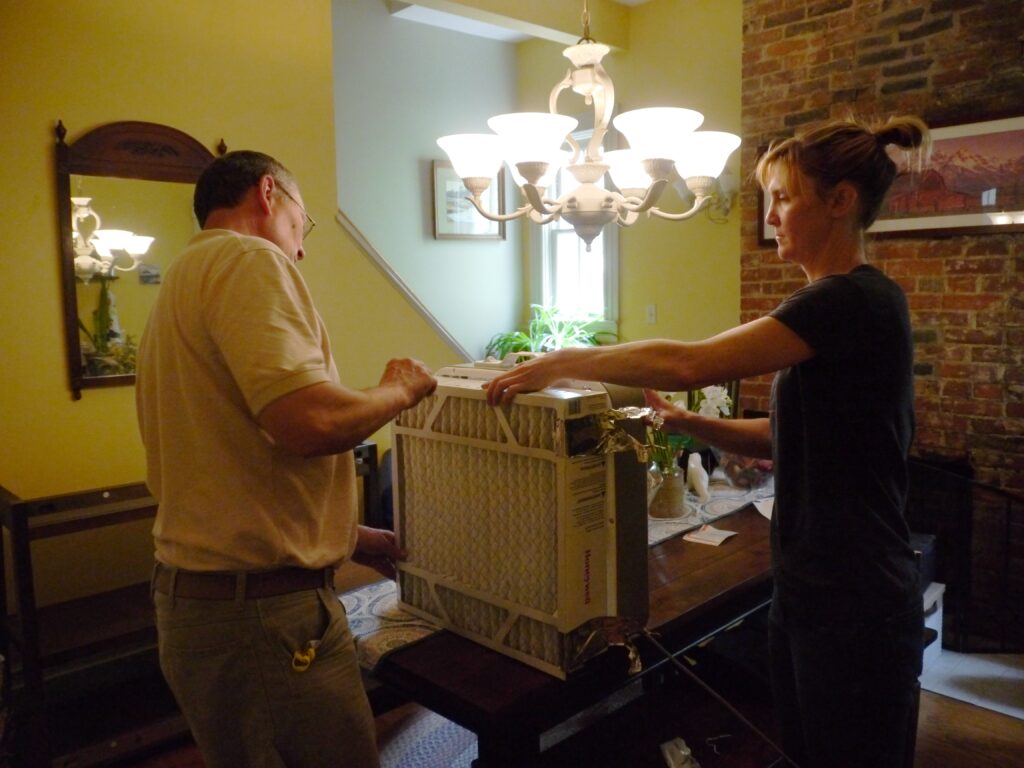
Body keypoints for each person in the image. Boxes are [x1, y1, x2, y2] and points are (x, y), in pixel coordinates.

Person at [486, 116, 929, 768]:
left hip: (856, 596)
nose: (771, 214)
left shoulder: (850, 300)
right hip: (811, 586)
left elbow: (691, 362)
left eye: (783, 196)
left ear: (840, 202)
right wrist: (691, 425)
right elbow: (788, 436)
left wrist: (566, 359)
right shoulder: (834, 307)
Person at [136, 150, 437, 768]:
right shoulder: (248, 258)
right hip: (261, 620)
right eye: (304, 225)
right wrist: (399, 390)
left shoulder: (183, 278)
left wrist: (343, 534)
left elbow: (226, 462)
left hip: (213, 606)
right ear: (269, 195)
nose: (300, 249)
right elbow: (309, 423)